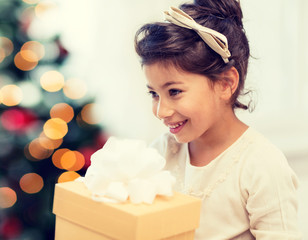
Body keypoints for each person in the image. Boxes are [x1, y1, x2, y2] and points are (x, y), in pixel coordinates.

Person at [134, 0, 302, 239]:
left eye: (174, 92)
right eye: (154, 94)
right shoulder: (162, 151)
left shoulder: (261, 165)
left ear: (225, 84)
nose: (161, 111)